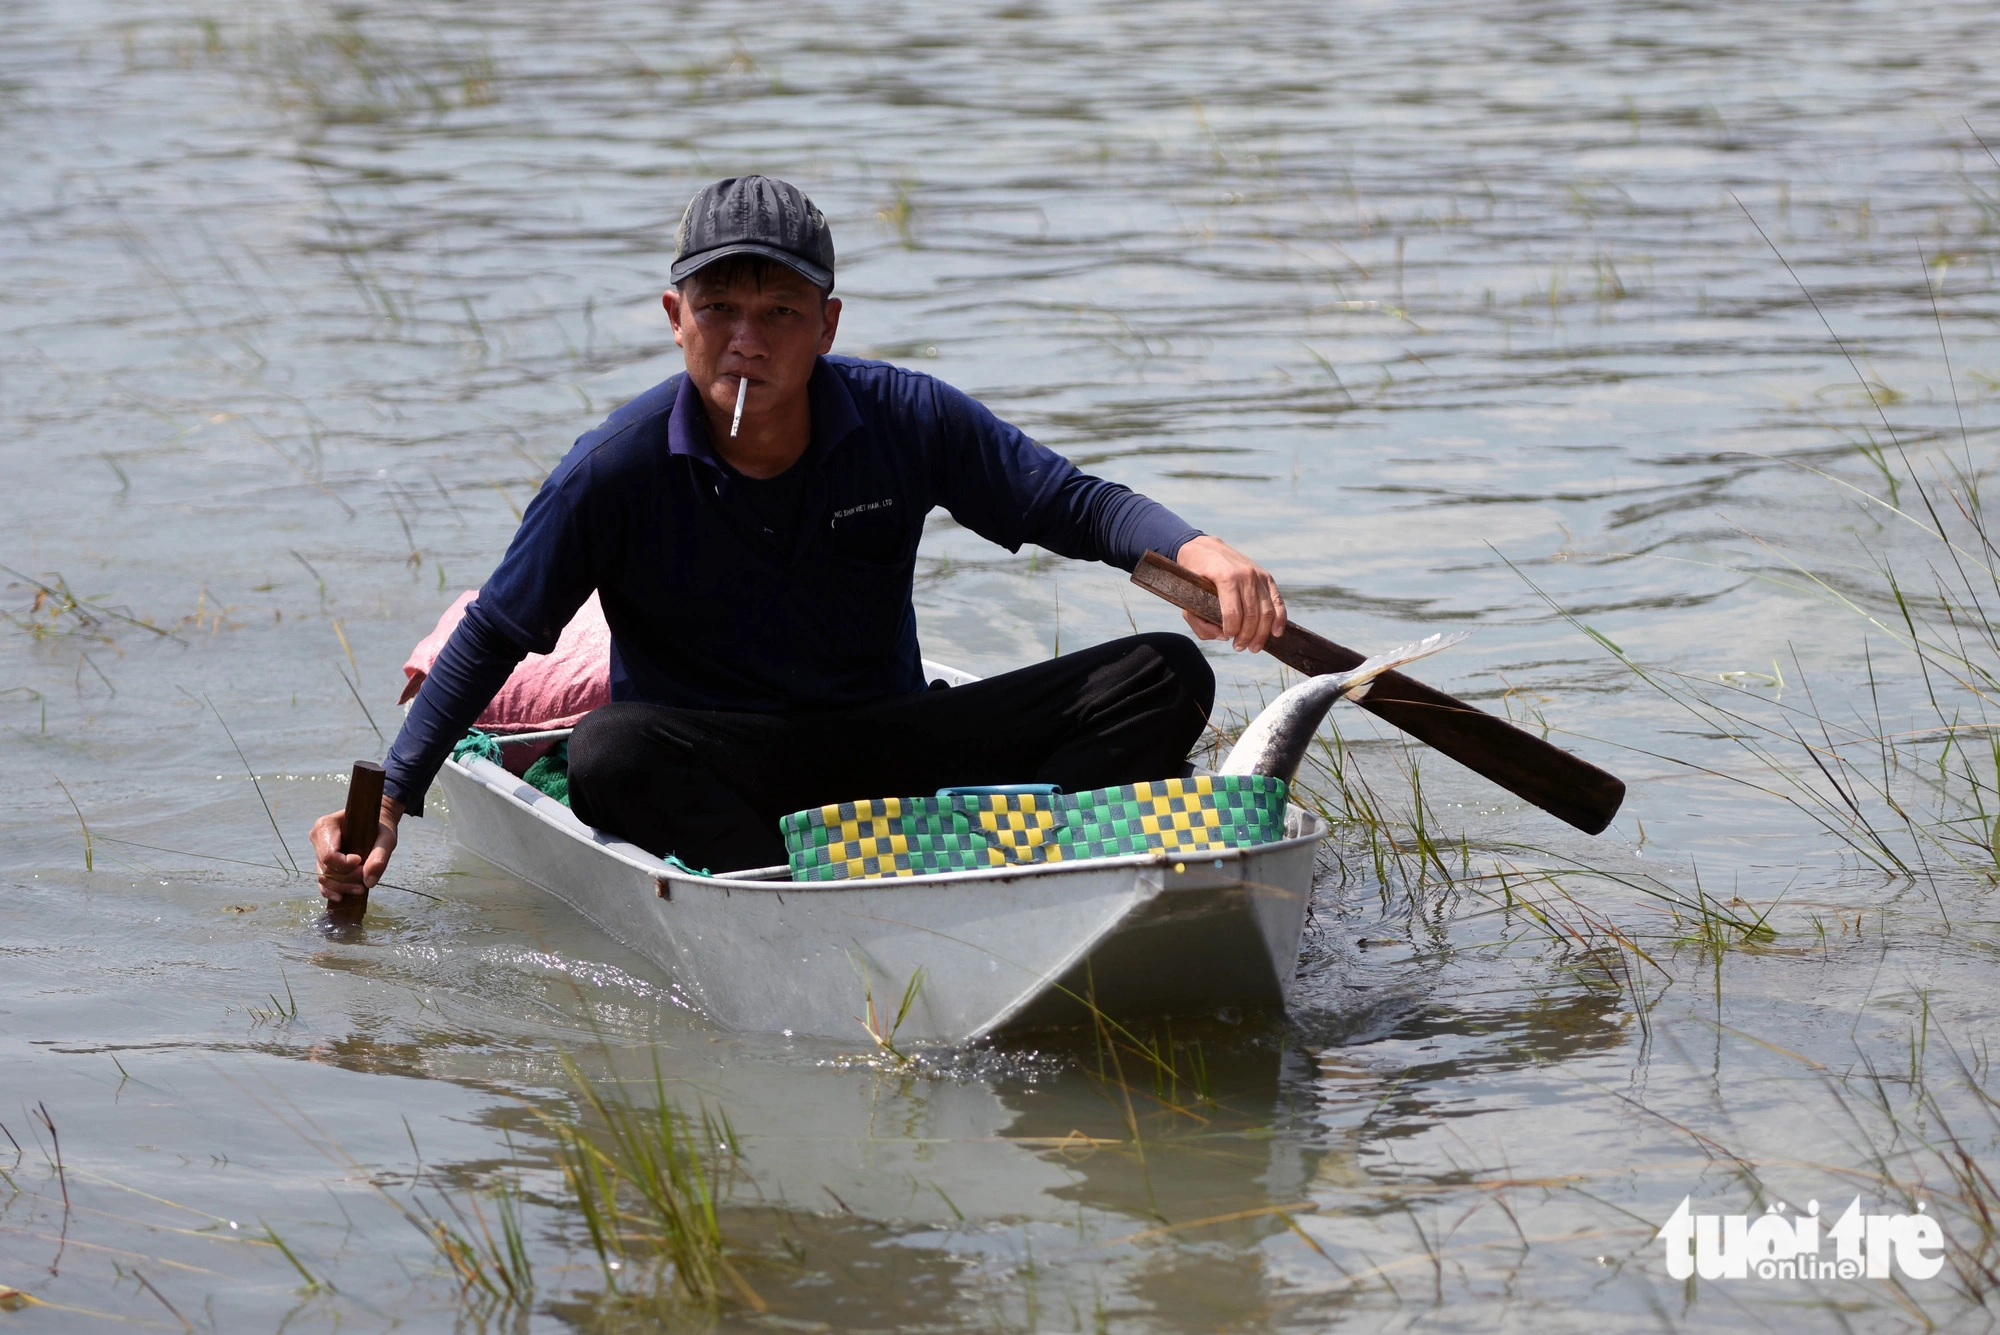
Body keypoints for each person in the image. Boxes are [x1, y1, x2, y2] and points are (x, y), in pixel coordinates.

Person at [312, 175, 1287, 899]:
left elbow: (1069, 504)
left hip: (891, 751)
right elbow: (494, 631)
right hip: (726, 765)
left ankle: (997, 864)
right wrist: (393, 797)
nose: (748, 339)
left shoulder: (903, 416)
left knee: (1161, 677)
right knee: (610, 753)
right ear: (674, 320)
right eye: (720, 311)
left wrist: (1197, 548)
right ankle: (779, 894)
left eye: (779, 313)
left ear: (824, 325)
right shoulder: (613, 466)